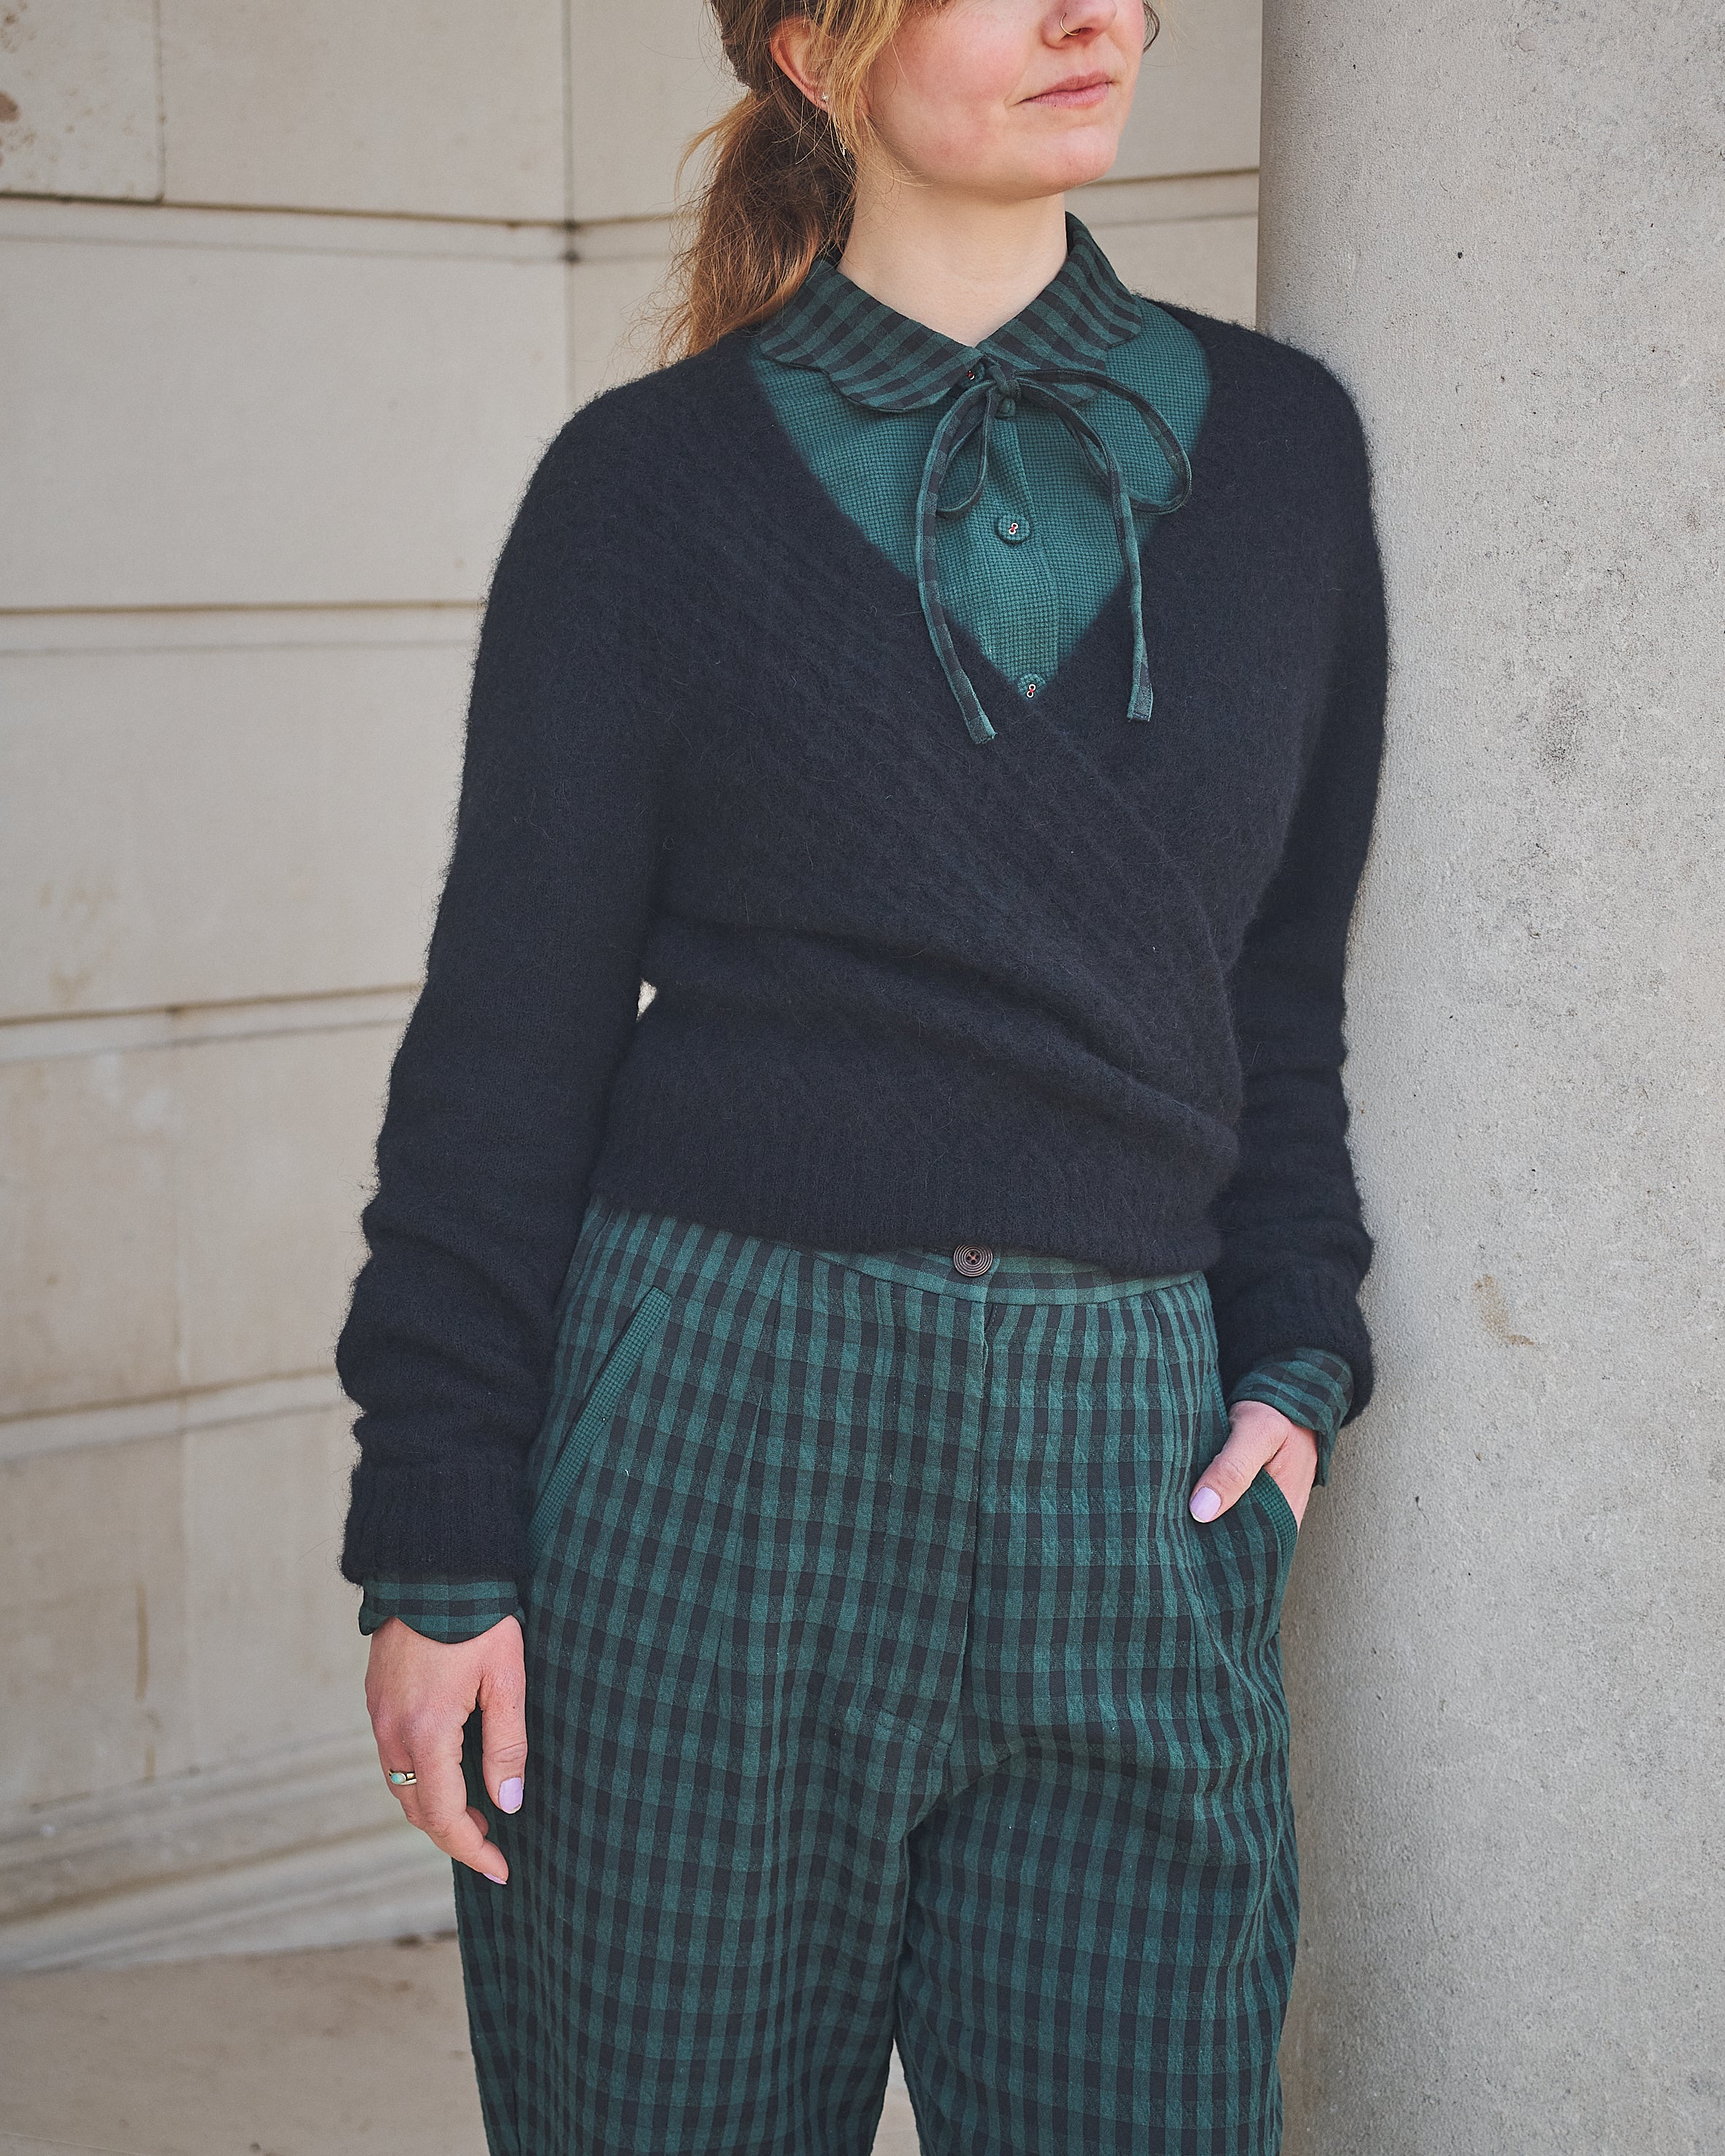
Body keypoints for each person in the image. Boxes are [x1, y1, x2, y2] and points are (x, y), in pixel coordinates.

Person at [336, 1, 1388, 2149]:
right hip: (715, 1435)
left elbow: (1280, 988)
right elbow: (503, 1047)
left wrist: (1291, 1349)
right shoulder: (641, 494)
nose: (1102, 13)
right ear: (814, 47)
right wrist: (437, 1541)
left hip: (1133, 1447)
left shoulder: (1282, 452)